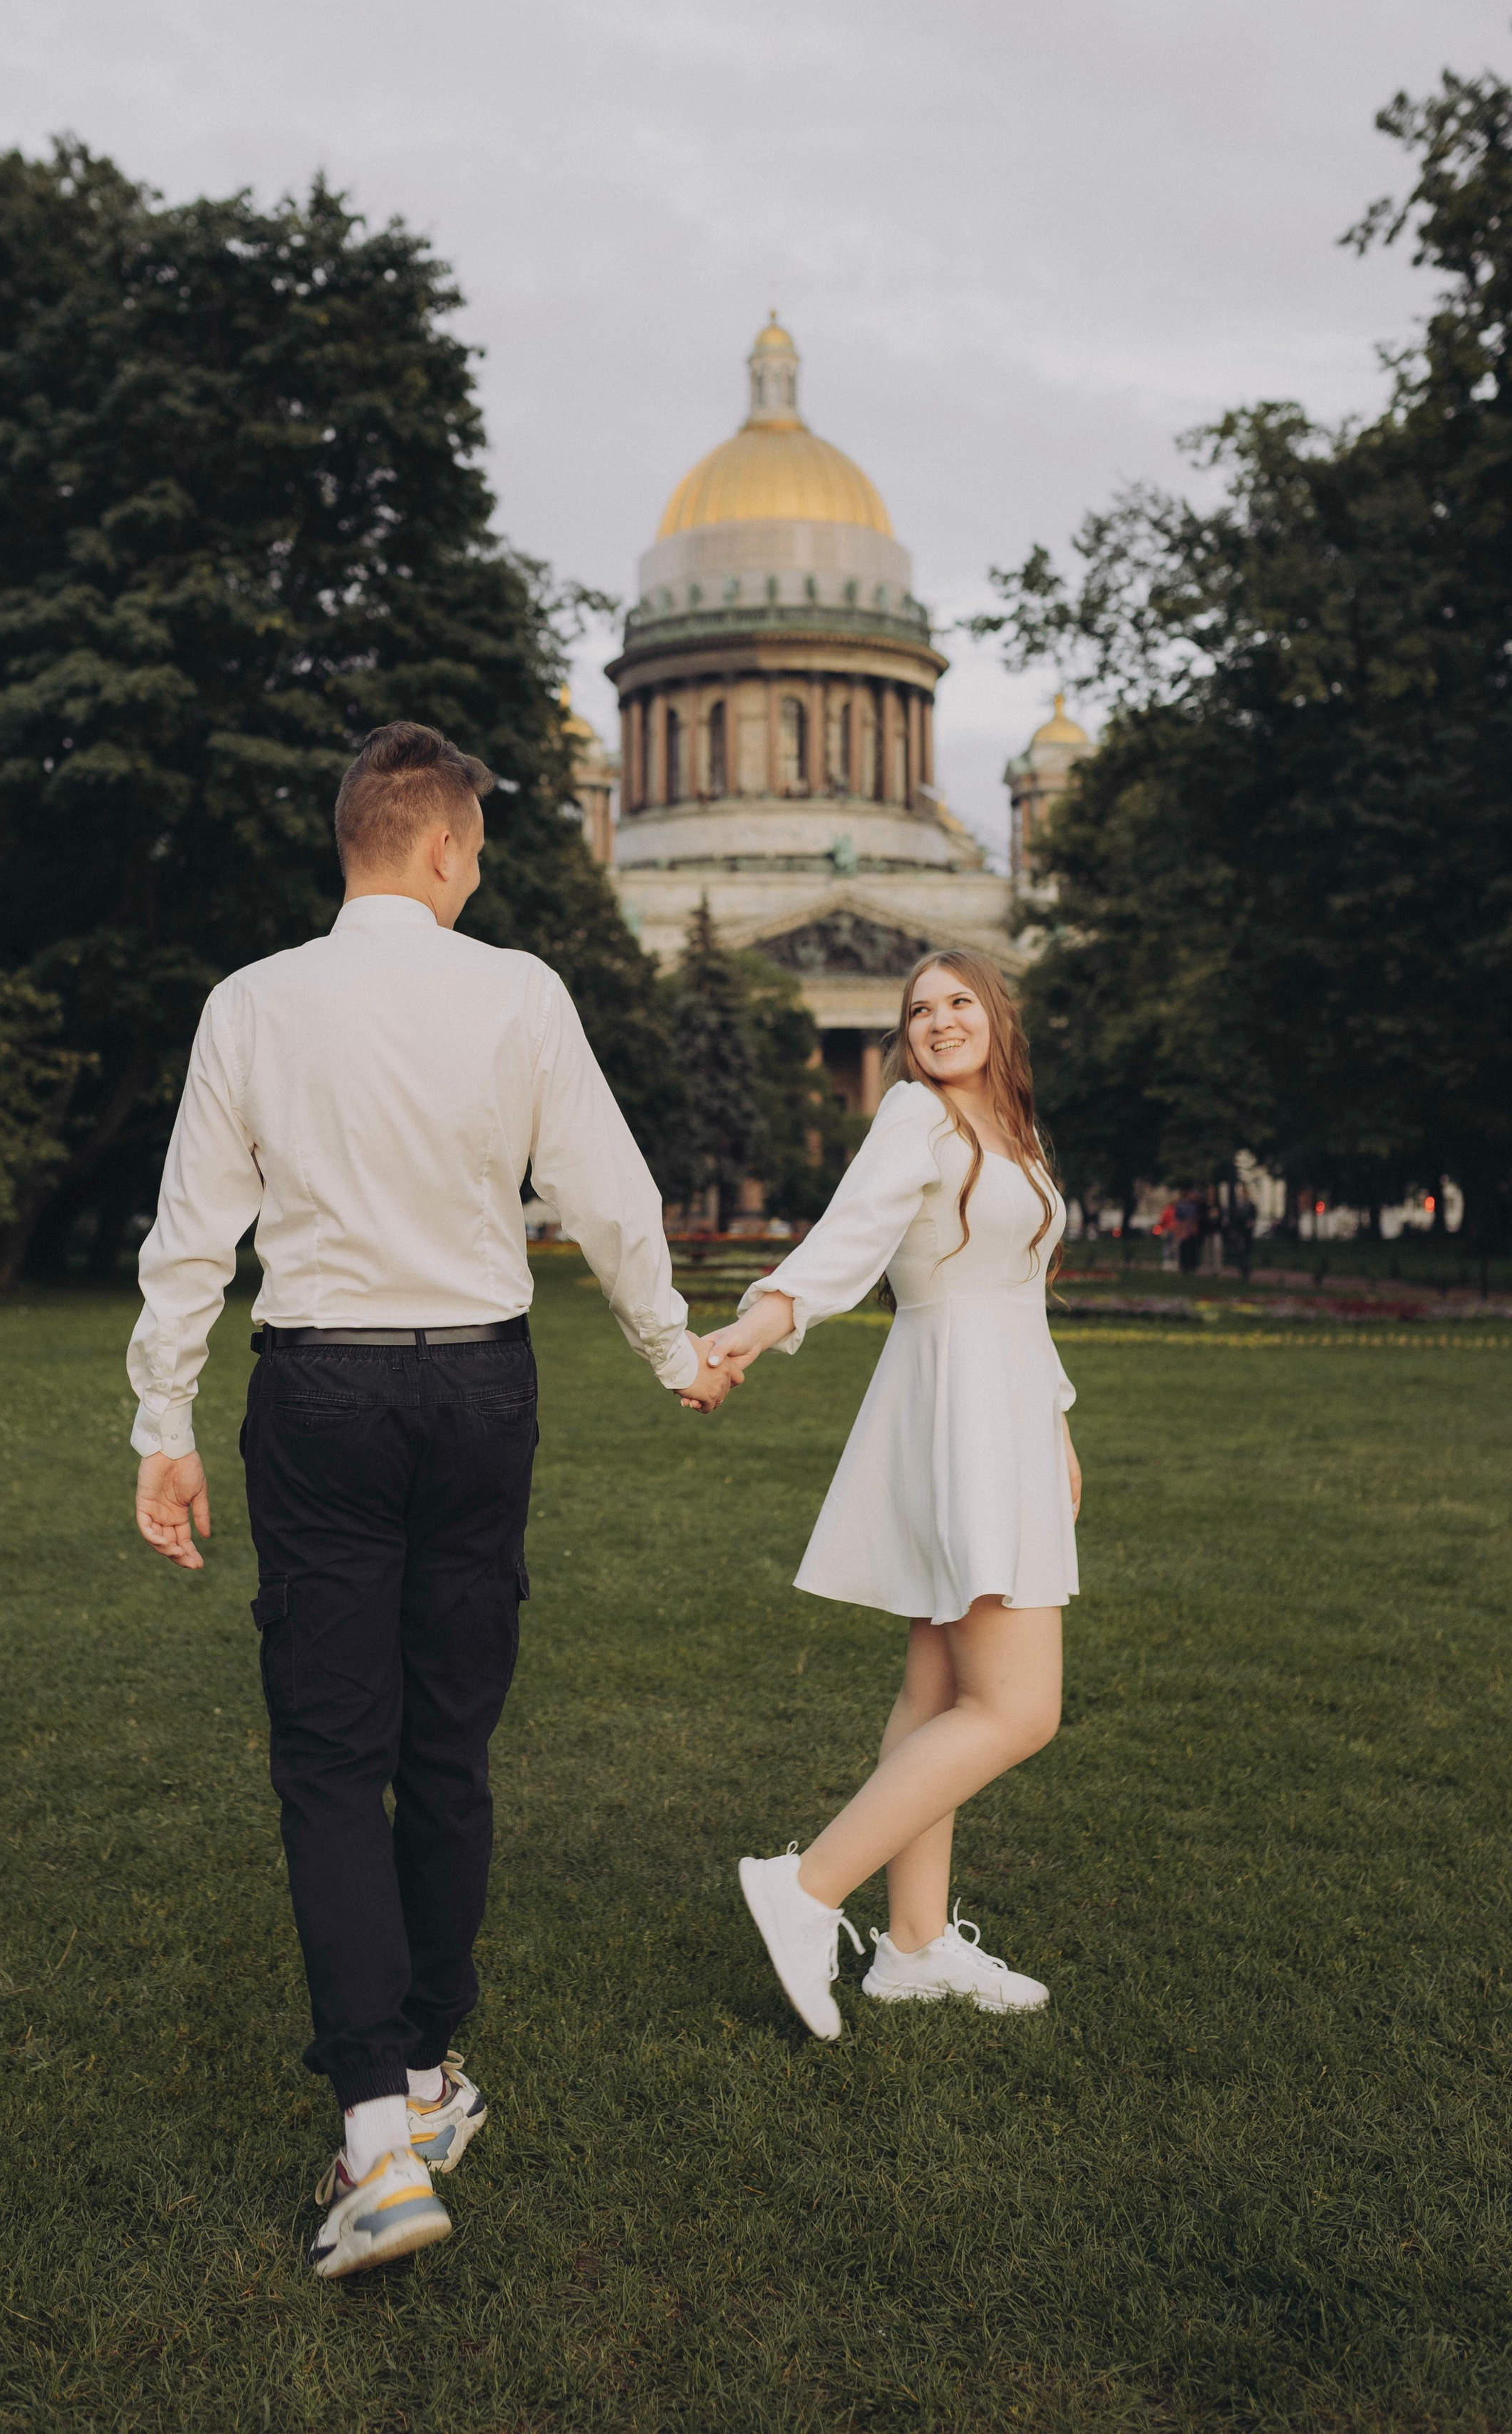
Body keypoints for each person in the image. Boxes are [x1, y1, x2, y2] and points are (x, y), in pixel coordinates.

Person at [127, 721, 730, 2279]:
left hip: (318, 1385)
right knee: (446, 1743)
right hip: (475, 1385)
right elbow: (601, 1190)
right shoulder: (518, 990)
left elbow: (194, 1229)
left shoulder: (253, 1001)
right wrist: (671, 1347)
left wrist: (160, 1420)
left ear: (350, 844)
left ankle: (384, 2132)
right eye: (478, 851)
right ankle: (421, 2078)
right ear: (447, 847)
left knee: (333, 1754)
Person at [701, 949, 1081, 2040]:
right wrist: (754, 1324)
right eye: (919, 1009)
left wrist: (1055, 1422)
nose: (939, 1019)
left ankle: (912, 1947)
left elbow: (1024, 1298)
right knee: (1017, 1708)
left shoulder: (1013, 1133)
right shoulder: (915, 1117)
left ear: (997, 1018)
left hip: (999, 1411)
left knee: (935, 1691)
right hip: (952, 1410)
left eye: (959, 1001)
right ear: (904, 1038)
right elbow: (847, 1243)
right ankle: (807, 1886)